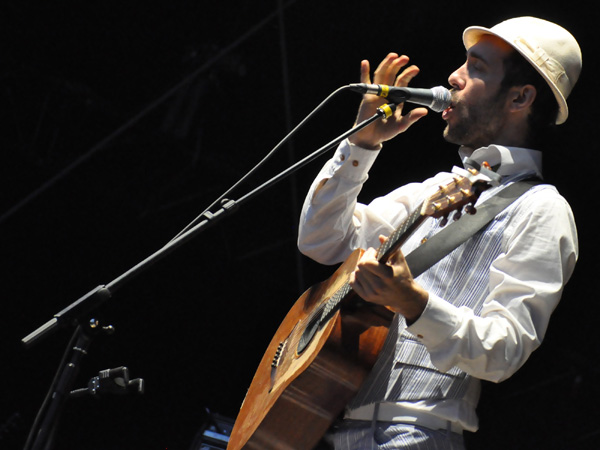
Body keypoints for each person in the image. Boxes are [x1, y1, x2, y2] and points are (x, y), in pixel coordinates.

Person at [297, 16, 581, 449]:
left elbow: (504, 351)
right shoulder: (437, 189)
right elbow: (320, 239)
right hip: (330, 427)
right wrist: (361, 145)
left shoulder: (541, 208)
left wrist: (413, 302)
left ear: (521, 97)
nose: (454, 76)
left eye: (476, 67)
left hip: (412, 435)